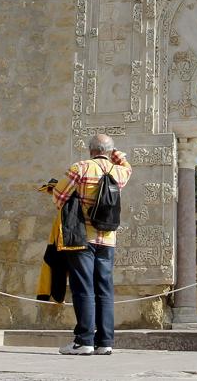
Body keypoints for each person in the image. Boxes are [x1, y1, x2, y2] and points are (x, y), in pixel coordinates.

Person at [50, 134, 131, 355]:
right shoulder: (120, 172)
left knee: (83, 287)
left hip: (82, 237)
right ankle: (105, 342)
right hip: (108, 239)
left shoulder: (81, 168)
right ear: (109, 151)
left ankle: (84, 340)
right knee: (104, 289)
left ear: (90, 150)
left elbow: (58, 198)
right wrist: (117, 155)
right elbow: (126, 165)